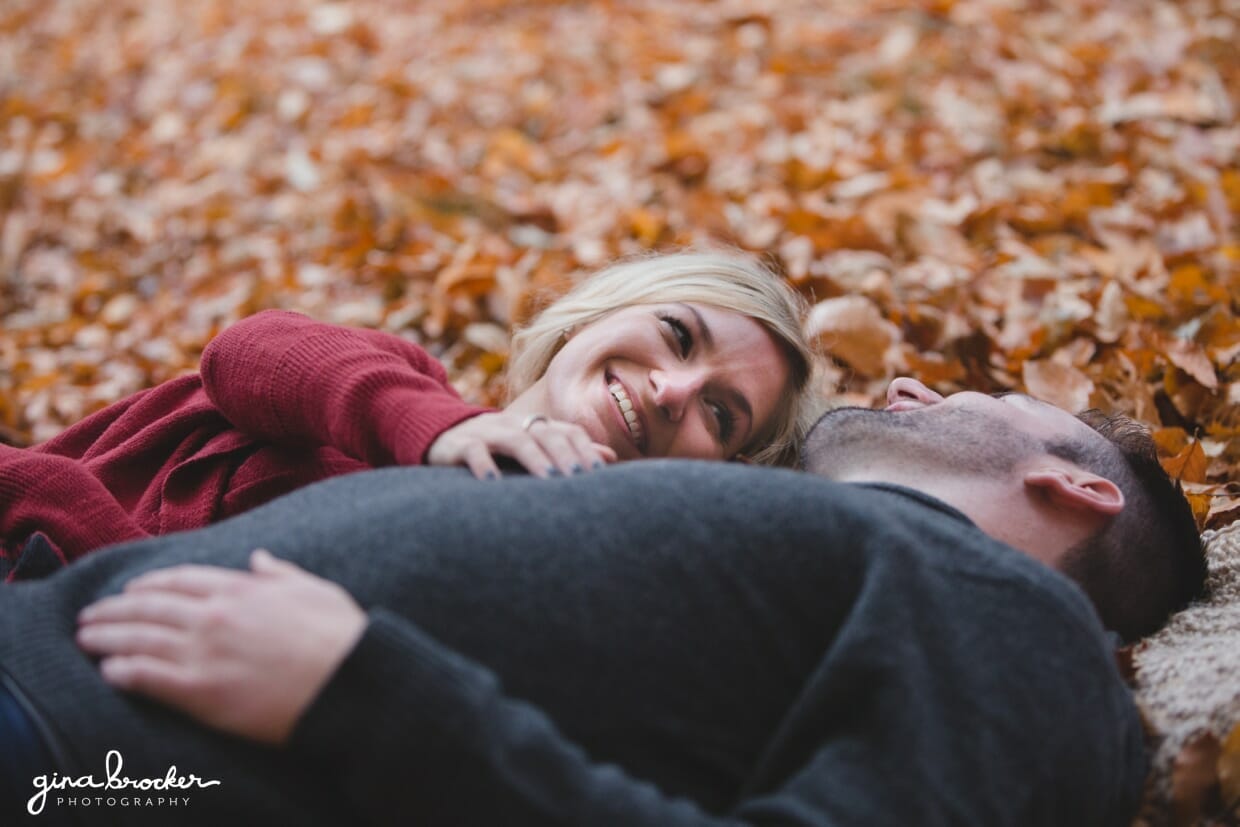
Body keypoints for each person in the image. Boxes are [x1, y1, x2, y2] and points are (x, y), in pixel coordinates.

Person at [0, 377, 1205, 825]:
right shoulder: (869, 561)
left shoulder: (1026, 636)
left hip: (92, 756)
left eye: (975, 395)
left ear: (1071, 485)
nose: (905, 381)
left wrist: (361, 693)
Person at [0, 251, 815, 578]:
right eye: (676, 334)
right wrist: (442, 429)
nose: (674, 390)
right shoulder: (401, 386)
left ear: (720, 474)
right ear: (592, 315)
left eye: (721, 410)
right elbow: (247, 352)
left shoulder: (544, 575)